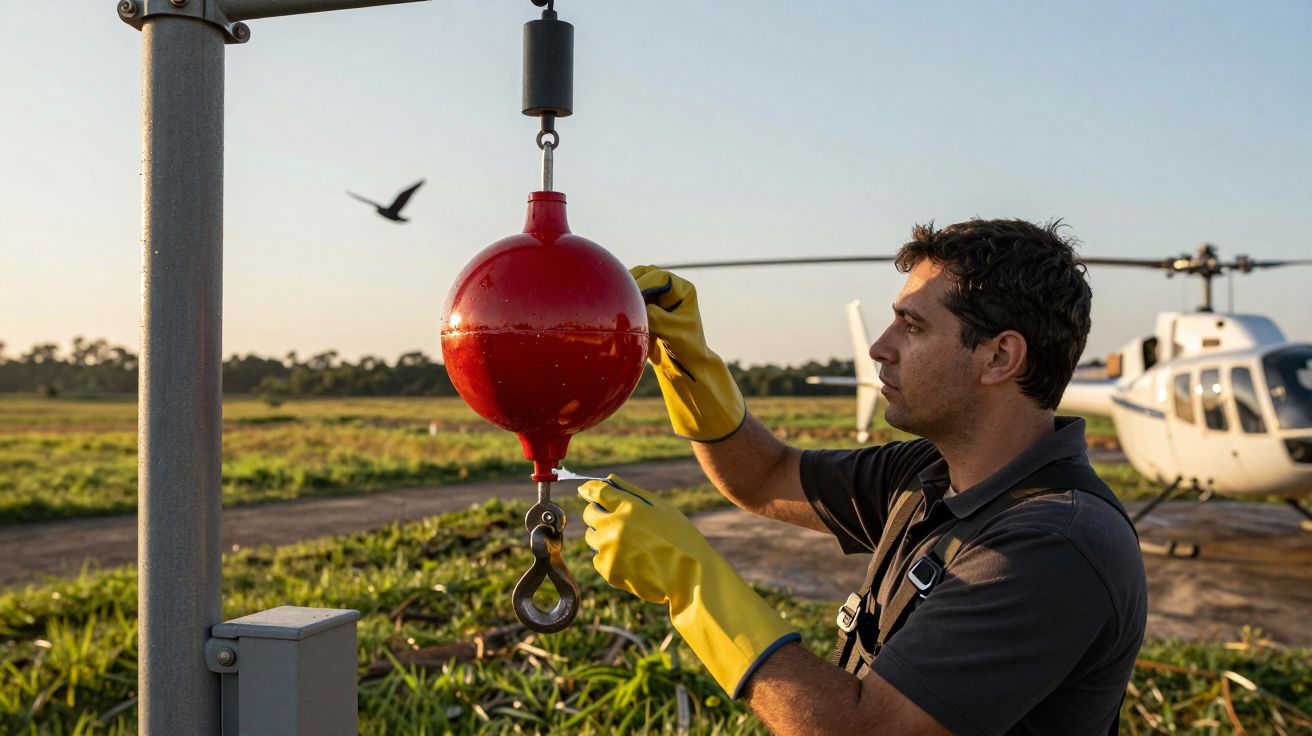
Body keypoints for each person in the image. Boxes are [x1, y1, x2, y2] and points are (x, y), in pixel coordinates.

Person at [578, 219, 1148, 735]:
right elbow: (765, 477)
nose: (880, 347)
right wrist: (686, 363)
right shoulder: (927, 471)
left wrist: (692, 584)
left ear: (999, 358)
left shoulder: (1054, 546)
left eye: (913, 327)